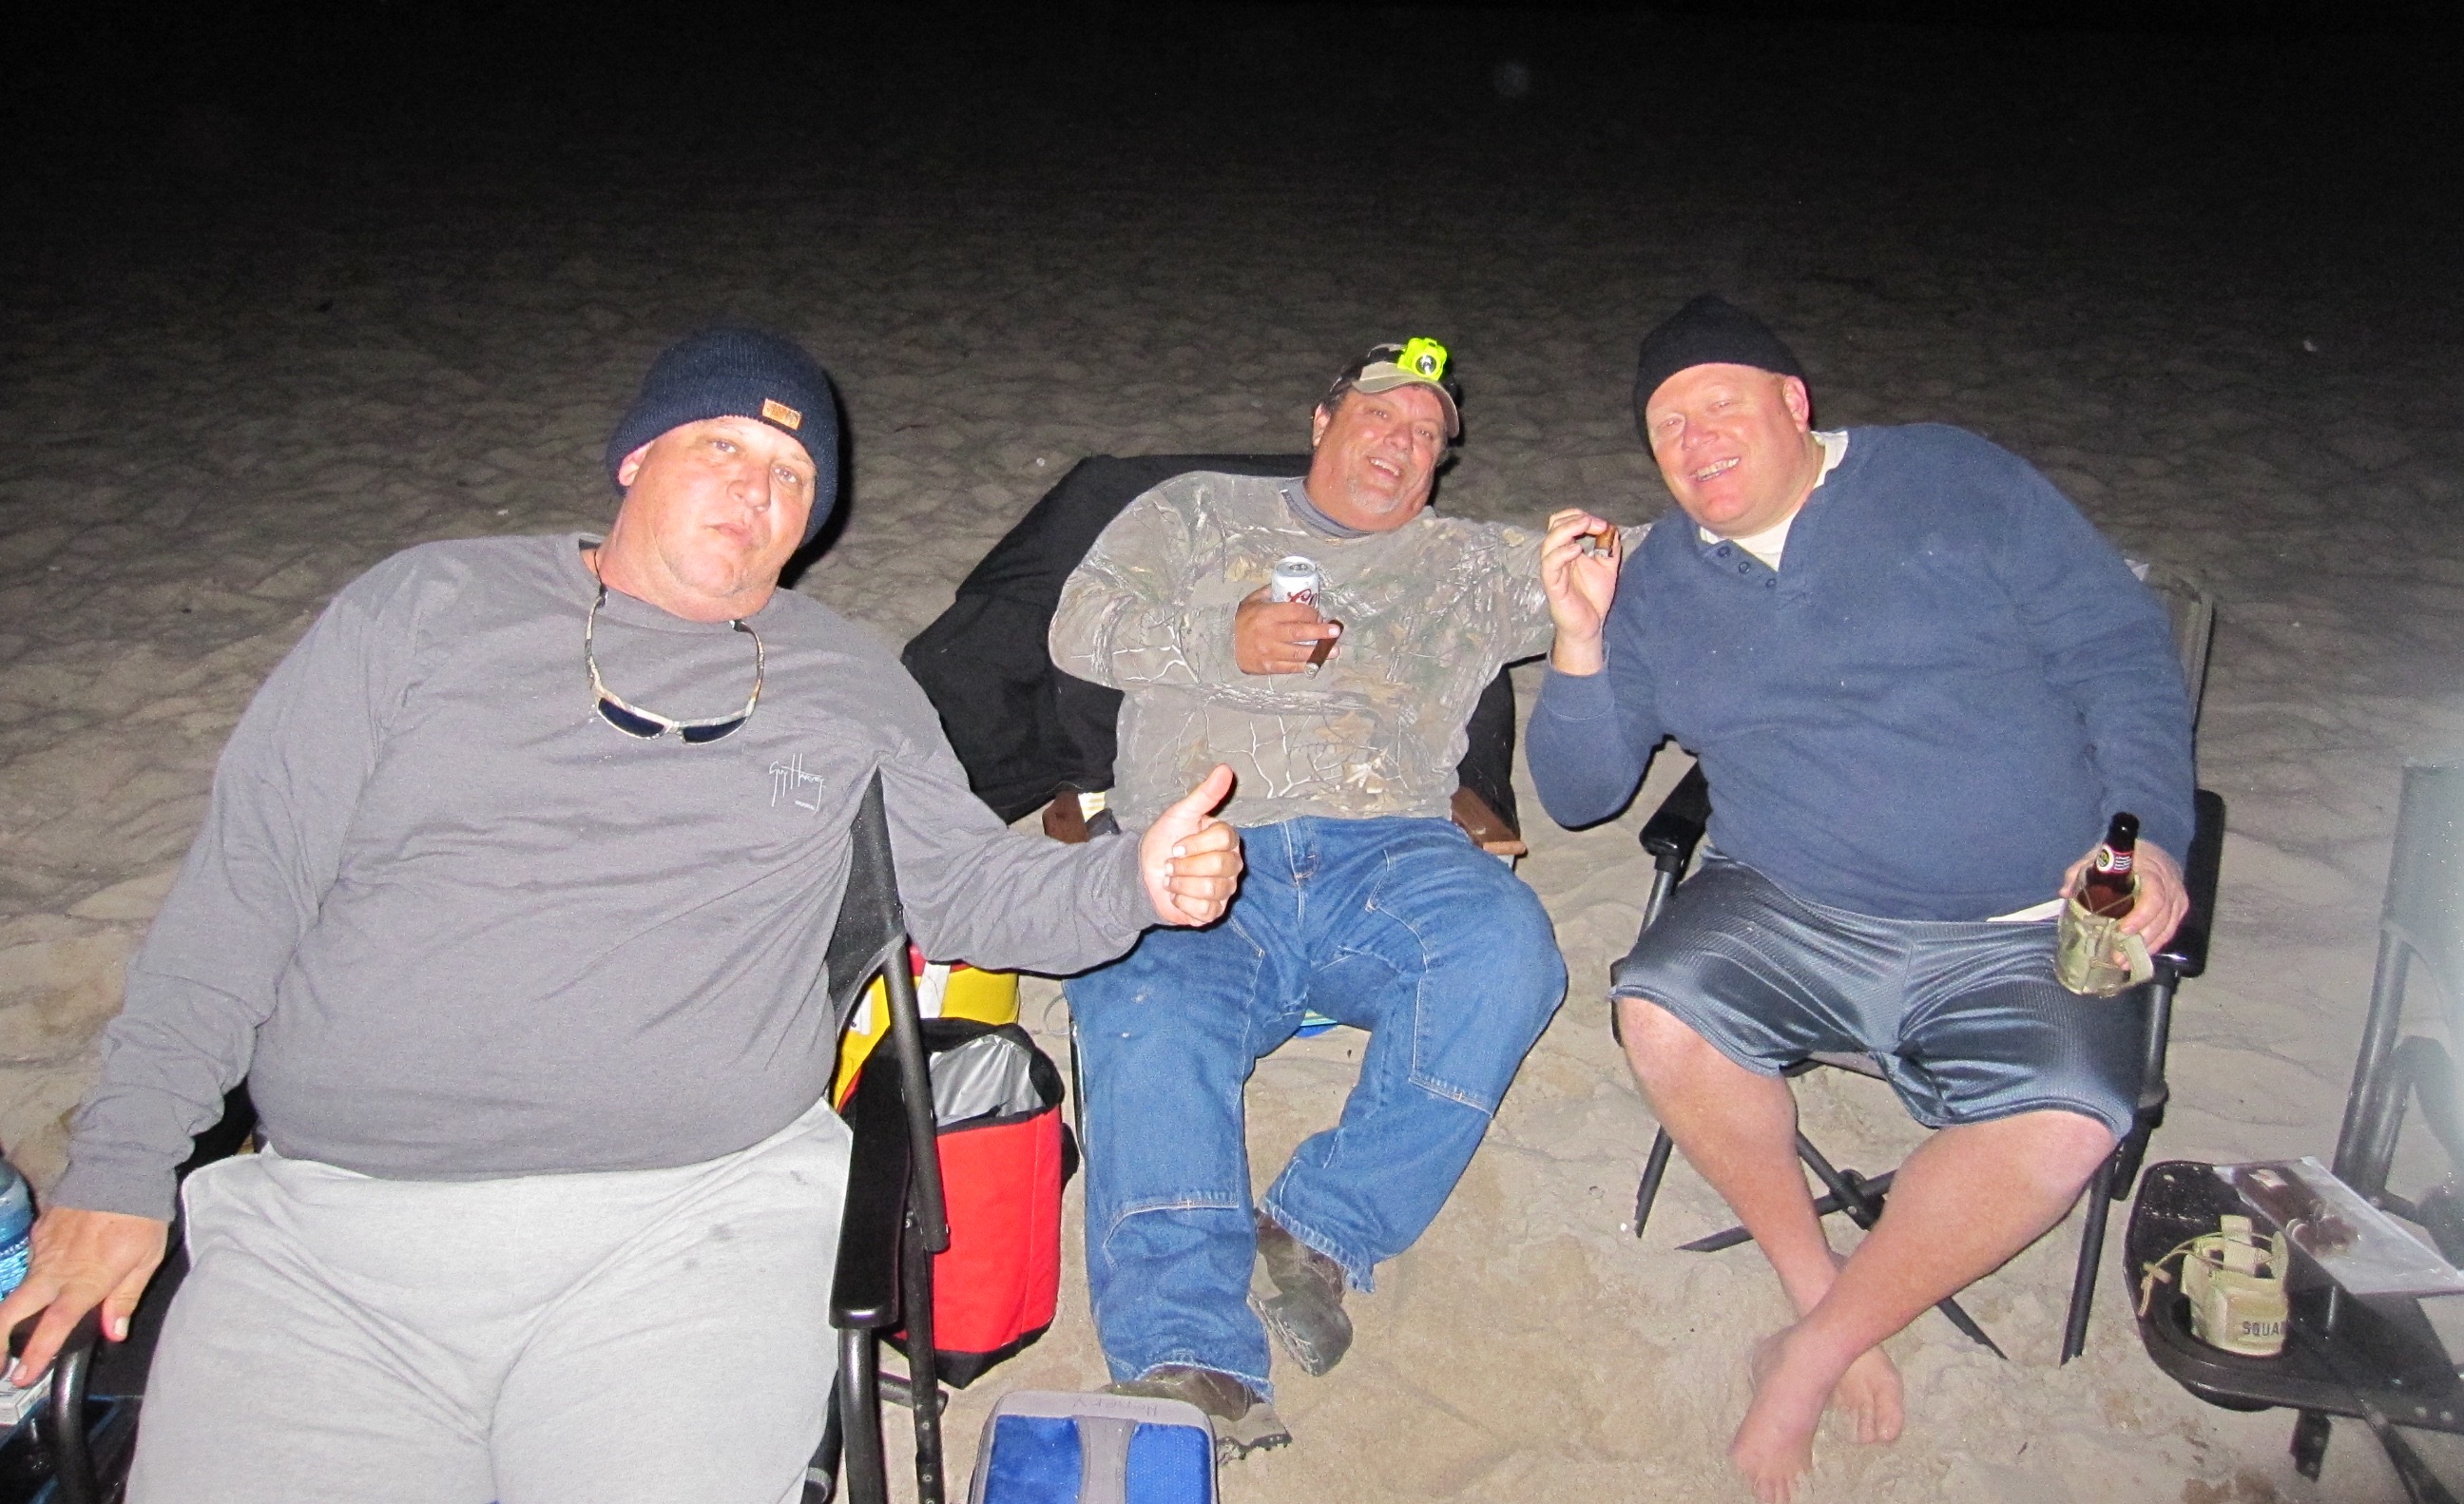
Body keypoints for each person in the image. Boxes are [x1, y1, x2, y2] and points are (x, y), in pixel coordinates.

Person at [0, 326, 1244, 1504]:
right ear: (635, 458)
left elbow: (970, 891)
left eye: (793, 474)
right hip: (336, 1231)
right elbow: (241, 892)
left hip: (693, 1226)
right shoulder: (426, 609)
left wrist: (1133, 880)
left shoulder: (844, 680)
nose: (756, 489)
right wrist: (120, 1169)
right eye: (722, 446)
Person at [1529, 296, 2193, 1504]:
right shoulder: (1658, 578)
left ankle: (1816, 1351)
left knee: (2068, 1126)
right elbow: (1578, 795)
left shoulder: (1953, 479)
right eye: (1667, 425)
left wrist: (2148, 838)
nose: (1695, 439)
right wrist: (1580, 639)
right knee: (1658, 1014)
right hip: (1788, 902)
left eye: (1720, 404)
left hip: (2021, 921)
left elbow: (2121, 654)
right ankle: (1814, 1283)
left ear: (1796, 404)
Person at [1051, 337, 1570, 1453]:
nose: (1402, 444)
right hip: (1202, 841)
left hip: (1386, 855)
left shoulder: (1469, 564)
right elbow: (1078, 623)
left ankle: (1321, 1227)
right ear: (1324, 421)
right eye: (1382, 416)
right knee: (1145, 1005)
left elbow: (1645, 567)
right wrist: (1218, 640)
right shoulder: (1198, 509)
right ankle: (1188, 1353)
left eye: (1427, 435)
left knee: (1507, 952)